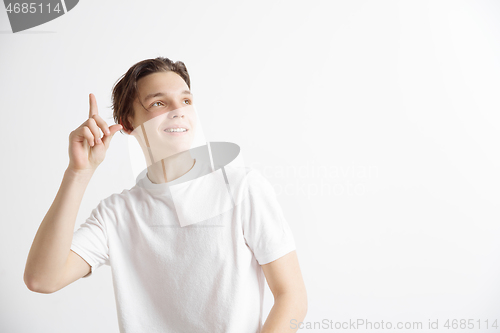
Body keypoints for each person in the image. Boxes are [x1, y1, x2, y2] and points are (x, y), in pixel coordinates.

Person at [24, 57, 308, 332]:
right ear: (127, 123)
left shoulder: (242, 188)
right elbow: (42, 279)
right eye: (158, 103)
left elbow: (292, 298)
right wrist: (79, 173)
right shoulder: (116, 214)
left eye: (186, 100)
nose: (179, 110)